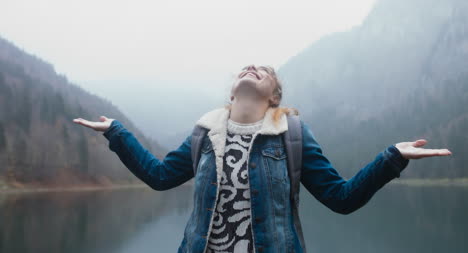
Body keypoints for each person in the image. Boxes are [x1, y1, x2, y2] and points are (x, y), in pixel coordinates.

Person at [73, 64, 452, 253]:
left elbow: (343, 197)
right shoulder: (205, 134)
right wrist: (117, 133)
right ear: (233, 92)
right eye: (246, 67)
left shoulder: (294, 136)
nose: (253, 67)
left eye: (265, 71)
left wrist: (392, 158)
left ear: (274, 97)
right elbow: (158, 175)